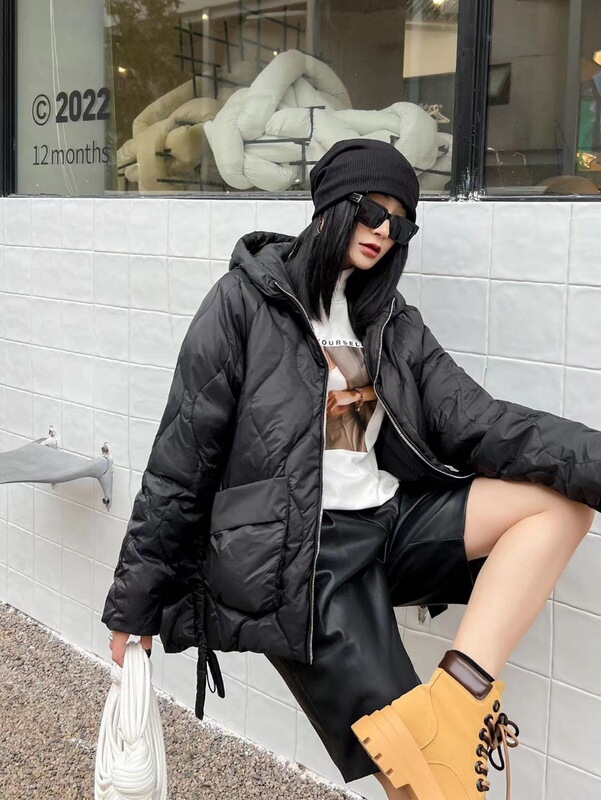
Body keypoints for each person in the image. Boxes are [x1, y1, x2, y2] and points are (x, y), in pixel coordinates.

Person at [102, 138, 601, 800]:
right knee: (425, 787)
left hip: (387, 522)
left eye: (401, 222)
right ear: (333, 202)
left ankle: (456, 704)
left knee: (557, 508)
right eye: (372, 209)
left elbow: (479, 421)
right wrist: (134, 605)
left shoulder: (389, 320)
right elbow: (180, 460)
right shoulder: (244, 302)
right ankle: (434, 744)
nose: (384, 230)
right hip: (301, 559)